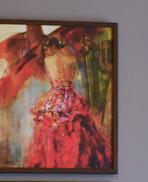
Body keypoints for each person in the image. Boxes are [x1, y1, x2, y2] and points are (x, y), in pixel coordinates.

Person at [24, 33, 112, 169]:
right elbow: (74, 75)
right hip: (71, 95)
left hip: (54, 97)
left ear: (52, 47)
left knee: (52, 127)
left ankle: (55, 161)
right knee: (77, 126)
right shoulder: (71, 59)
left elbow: (50, 78)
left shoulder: (48, 60)